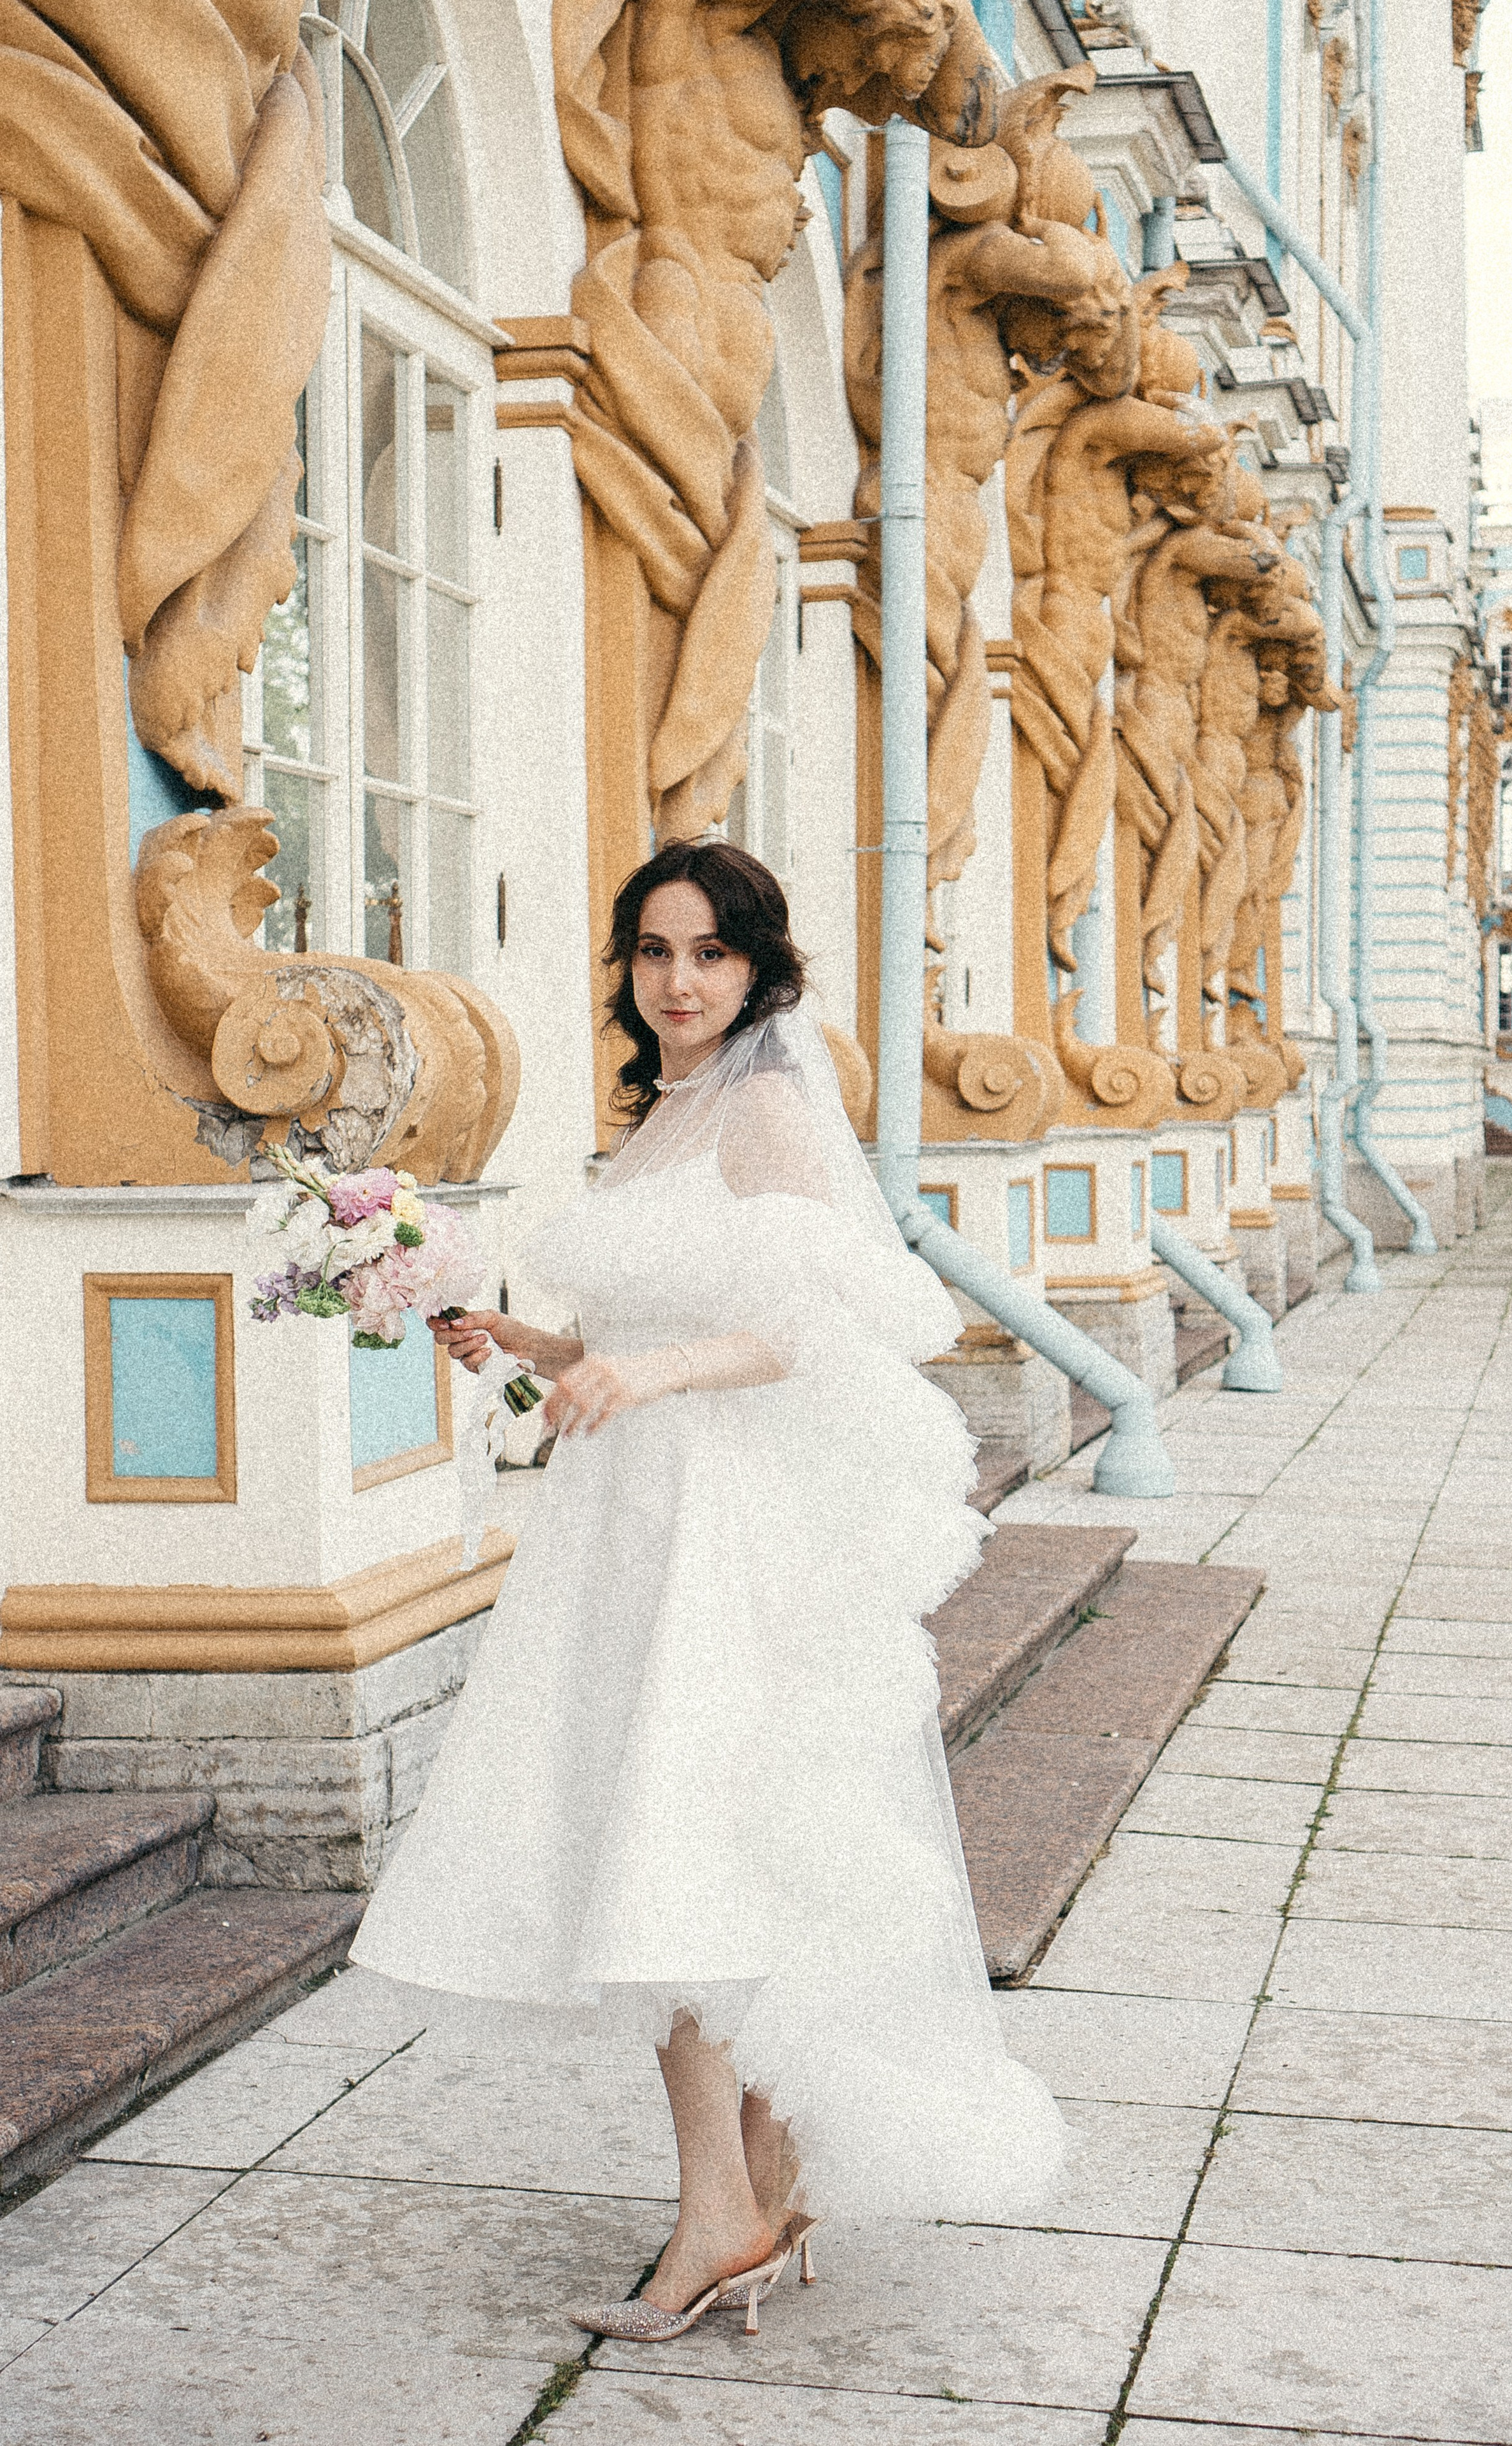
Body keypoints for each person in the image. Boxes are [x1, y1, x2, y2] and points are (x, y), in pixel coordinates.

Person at [348, 839, 1067, 2341]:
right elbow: (656, 1307)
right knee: (689, 1844)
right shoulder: (667, 1109)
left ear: (757, 970)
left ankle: (716, 2222)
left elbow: (828, 1325)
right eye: (652, 952)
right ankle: (756, 2170)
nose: (676, 983)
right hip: (631, 1518)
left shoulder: (769, 1109)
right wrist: (531, 1344)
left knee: (673, 1854)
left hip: (713, 1531)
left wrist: (647, 1370)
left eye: (709, 955)